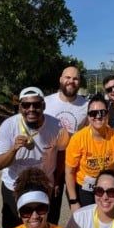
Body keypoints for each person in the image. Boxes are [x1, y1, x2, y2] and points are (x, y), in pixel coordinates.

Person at [0, 86, 70, 228]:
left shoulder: (57, 126)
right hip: (14, 186)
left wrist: (57, 181)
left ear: (44, 106)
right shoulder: (8, 126)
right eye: (26, 105)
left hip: (45, 185)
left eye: (36, 104)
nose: (31, 109)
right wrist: (14, 149)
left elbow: (61, 154)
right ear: (19, 107)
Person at [65, 93, 114, 209]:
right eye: (93, 113)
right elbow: (69, 172)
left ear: (107, 115)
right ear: (88, 116)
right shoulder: (78, 139)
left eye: (102, 112)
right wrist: (73, 201)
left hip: (109, 187)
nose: (98, 116)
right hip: (85, 188)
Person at [44, 65, 88, 219]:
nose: (71, 81)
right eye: (68, 77)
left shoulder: (86, 105)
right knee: (50, 209)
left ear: (79, 82)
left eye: (75, 78)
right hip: (50, 163)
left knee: (79, 209)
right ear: (61, 79)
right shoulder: (46, 103)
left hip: (75, 165)